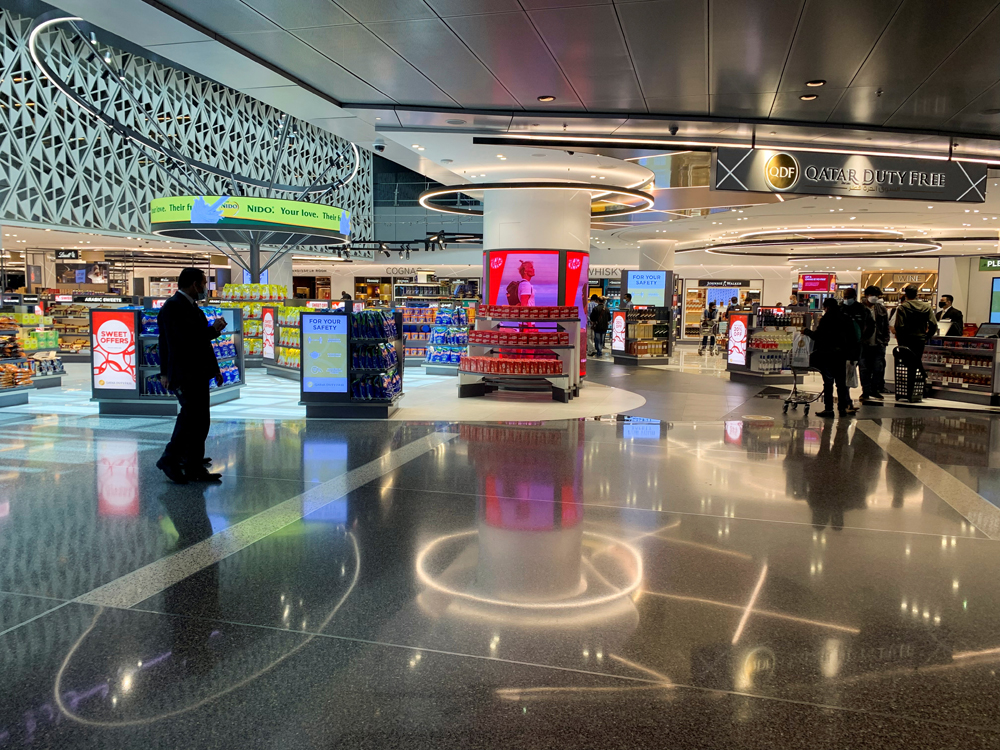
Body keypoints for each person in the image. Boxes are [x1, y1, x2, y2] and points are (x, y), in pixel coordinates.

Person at [156, 267, 227, 484]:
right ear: (194, 284)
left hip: (197, 372)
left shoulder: (192, 307)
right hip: (185, 372)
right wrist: (165, 373)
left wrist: (214, 369)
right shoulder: (173, 308)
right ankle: (170, 458)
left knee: (200, 420)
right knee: (190, 419)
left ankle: (193, 464)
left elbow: (201, 344)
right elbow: (180, 342)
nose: (205, 288)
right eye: (204, 284)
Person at [802, 297, 856, 418]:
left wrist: (806, 331)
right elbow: (853, 338)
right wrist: (852, 355)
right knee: (841, 383)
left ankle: (829, 409)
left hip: (827, 355)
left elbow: (818, 336)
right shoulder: (846, 318)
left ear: (826, 307)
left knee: (828, 382)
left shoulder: (826, 319)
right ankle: (842, 408)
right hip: (842, 355)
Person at [859, 286, 890, 403]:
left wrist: (885, 341)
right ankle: (866, 391)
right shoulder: (860, 309)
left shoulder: (881, 309)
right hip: (864, 344)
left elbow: (886, 326)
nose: (875, 298)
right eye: (874, 295)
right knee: (864, 368)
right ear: (867, 295)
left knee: (878, 368)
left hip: (878, 343)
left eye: (877, 296)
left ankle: (875, 389)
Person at [892, 285, 936, 369]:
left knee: (908, 363)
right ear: (917, 294)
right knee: (917, 360)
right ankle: (920, 377)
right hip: (920, 339)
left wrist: (900, 339)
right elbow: (933, 324)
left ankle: (910, 380)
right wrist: (927, 336)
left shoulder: (903, 307)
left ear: (905, 295)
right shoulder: (926, 307)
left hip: (906, 340)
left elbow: (899, 326)